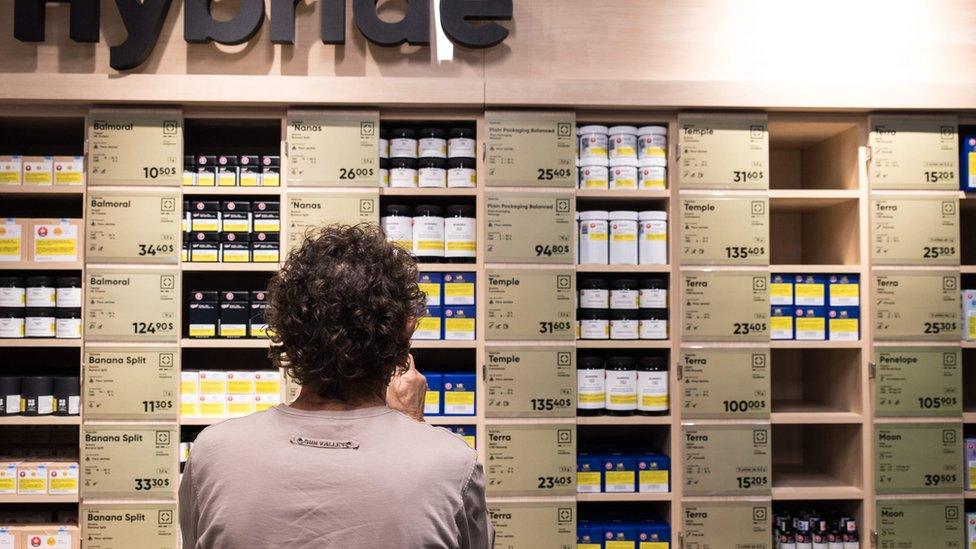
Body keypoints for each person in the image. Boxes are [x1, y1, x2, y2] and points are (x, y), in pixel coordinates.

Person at [179, 224, 494, 549]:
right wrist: (411, 425)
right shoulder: (453, 465)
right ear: (406, 330)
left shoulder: (212, 453)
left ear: (285, 326)